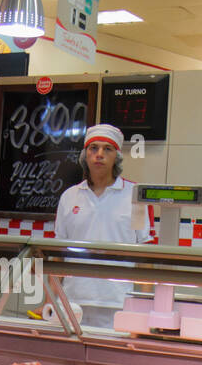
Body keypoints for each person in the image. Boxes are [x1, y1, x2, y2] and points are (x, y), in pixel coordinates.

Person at [52, 123, 152, 328]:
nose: (99, 154)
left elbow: (145, 257)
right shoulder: (69, 197)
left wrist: (146, 305)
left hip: (118, 303)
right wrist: (50, 301)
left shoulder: (136, 197)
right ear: (85, 155)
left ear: (117, 157)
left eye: (107, 149)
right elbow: (57, 255)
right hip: (72, 301)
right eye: (93, 148)